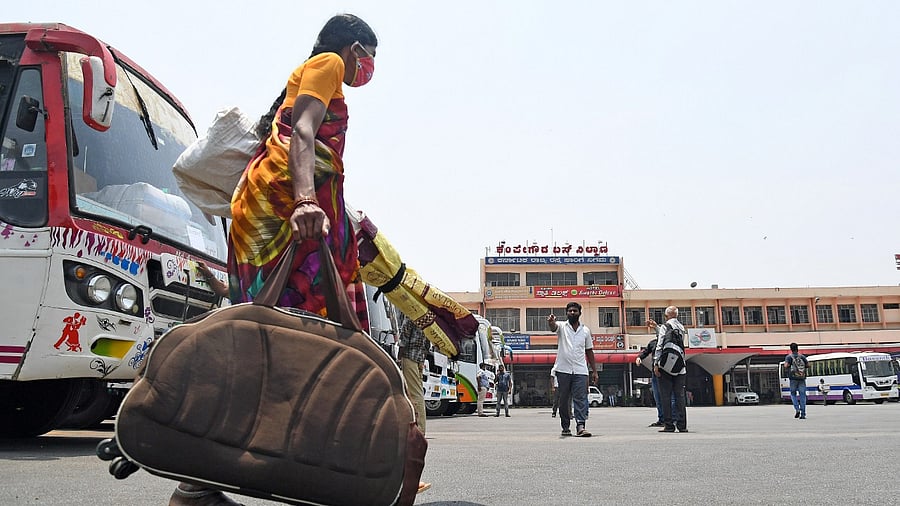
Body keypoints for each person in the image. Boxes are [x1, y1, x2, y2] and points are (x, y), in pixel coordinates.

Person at [170, 14, 385, 506]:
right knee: (291, 345)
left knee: (273, 343)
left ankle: (208, 483)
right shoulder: (328, 63)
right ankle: (227, 480)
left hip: (276, 208)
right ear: (356, 48)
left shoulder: (312, 77)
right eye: (370, 57)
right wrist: (308, 201)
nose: (368, 68)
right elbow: (304, 133)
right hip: (285, 207)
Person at [548, 302, 599, 437]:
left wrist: (594, 371)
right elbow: (553, 328)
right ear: (566, 313)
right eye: (569, 311)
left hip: (580, 370)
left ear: (579, 313)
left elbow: (589, 351)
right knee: (564, 400)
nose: (572, 313)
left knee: (580, 398)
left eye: (574, 311)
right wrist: (551, 322)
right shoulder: (561, 327)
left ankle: (581, 426)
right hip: (563, 370)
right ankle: (565, 426)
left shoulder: (586, 331)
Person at [652, 306, 688, 433]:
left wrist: (656, 363)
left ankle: (669, 425)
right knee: (680, 396)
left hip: (666, 366)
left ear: (666, 316)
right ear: (676, 315)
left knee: (666, 396)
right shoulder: (682, 328)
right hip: (680, 366)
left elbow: (660, 345)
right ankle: (682, 425)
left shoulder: (665, 326)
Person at [636, 334, 675, 427]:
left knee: (671, 397)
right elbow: (645, 352)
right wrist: (639, 357)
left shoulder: (670, 343)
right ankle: (662, 419)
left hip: (668, 372)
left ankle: (673, 418)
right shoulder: (653, 343)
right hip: (656, 373)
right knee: (658, 397)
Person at [399, 315, 428, 434]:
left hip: (409, 356)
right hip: (420, 359)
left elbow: (404, 337)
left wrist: (399, 356)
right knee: (418, 392)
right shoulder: (427, 315)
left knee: (414, 394)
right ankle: (419, 427)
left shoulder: (411, 313)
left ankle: (419, 429)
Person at [784, 342, 809, 419]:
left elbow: (786, 365)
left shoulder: (789, 357)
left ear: (791, 349)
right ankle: (803, 414)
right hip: (802, 378)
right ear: (797, 348)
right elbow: (808, 365)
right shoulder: (802, 357)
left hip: (793, 378)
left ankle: (797, 409)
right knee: (802, 395)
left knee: (793, 394)